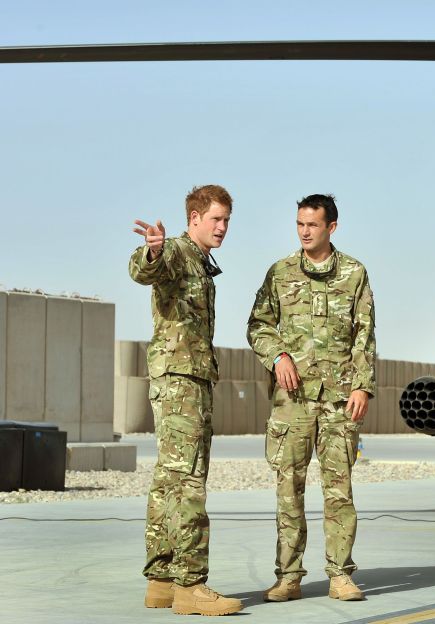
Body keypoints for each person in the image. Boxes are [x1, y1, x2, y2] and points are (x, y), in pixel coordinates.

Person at [247, 193, 376, 602]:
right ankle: (289, 576)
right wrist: (277, 355)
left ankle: (340, 574)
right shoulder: (280, 273)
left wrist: (362, 385)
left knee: (340, 490)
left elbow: (365, 334)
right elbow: (257, 326)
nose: (304, 232)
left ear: (331, 227)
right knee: (289, 489)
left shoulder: (355, 273)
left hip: (339, 400)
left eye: (313, 225)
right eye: (300, 224)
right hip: (293, 400)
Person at [129, 184, 243, 616]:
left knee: (169, 482)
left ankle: (161, 579)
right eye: (216, 219)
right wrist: (153, 252)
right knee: (190, 479)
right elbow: (146, 271)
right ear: (194, 218)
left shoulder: (200, 261)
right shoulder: (176, 251)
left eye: (227, 220)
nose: (222, 227)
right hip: (181, 382)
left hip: (183, 378)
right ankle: (191, 585)